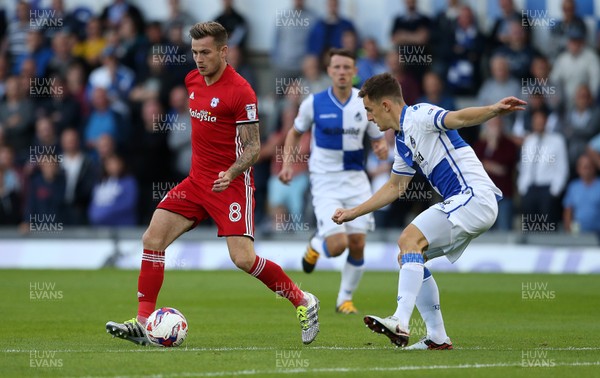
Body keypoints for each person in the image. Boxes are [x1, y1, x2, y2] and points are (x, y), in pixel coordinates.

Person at [105, 21, 320, 346]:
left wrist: (232, 173)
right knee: (153, 238)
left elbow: (252, 147)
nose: (199, 59)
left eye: (205, 52)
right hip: (195, 183)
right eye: (194, 52)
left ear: (224, 51)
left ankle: (302, 300)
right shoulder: (192, 79)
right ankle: (143, 322)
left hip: (231, 185)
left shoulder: (241, 91)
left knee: (243, 259)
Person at [332, 72, 526, 349]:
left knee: (409, 239)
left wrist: (493, 109)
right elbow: (395, 187)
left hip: (474, 196)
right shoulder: (401, 140)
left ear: (386, 105)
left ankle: (400, 320)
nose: (369, 118)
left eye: (370, 110)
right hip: (466, 203)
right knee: (409, 254)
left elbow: (458, 118)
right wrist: (354, 212)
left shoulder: (420, 114)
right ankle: (437, 336)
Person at [279, 48, 388, 314]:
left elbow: (378, 134)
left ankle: (344, 300)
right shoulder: (313, 103)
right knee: (338, 245)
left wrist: (381, 146)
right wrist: (287, 164)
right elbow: (294, 133)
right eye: (336, 67)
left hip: (355, 180)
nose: (341, 72)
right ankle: (317, 244)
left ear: (354, 72)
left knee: (358, 243)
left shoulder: (364, 103)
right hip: (325, 180)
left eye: (346, 68)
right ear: (329, 71)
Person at [563, 154, 600, 237]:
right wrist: (568, 233)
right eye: (584, 167)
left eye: (589, 166)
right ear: (578, 169)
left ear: (594, 168)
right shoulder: (573, 187)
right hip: (578, 234)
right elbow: (568, 211)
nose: (586, 170)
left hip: (598, 234)